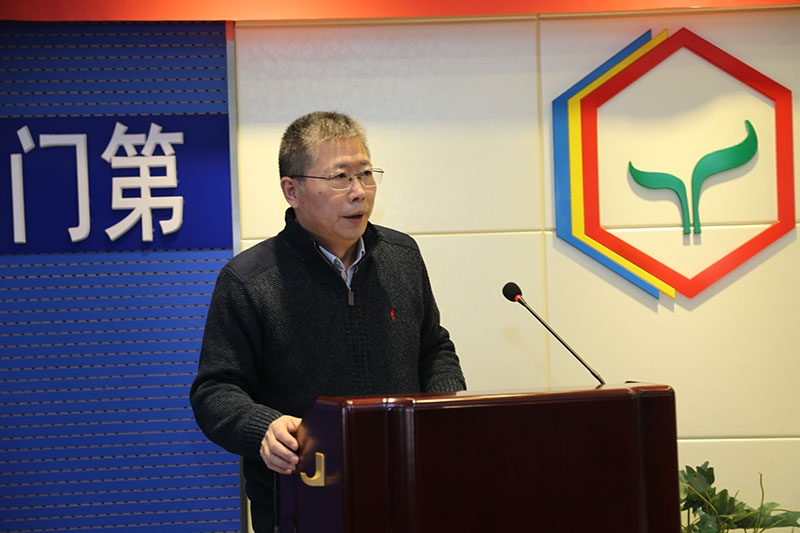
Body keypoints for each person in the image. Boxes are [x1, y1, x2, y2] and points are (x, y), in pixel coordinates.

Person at [190, 111, 467, 531]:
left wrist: (444, 409)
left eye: (366, 174)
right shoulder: (248, 280)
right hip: (302, 501)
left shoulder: (402, 257)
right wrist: (264, 428)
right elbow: (215, 390)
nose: (359, 192)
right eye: (340, 177)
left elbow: (433, 348)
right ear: (292, 190)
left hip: (405, 491)